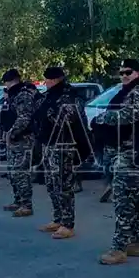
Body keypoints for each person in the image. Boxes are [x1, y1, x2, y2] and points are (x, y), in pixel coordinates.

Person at [94, 59, 139, 265]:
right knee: (135, 199)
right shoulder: (130, 90)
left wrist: (102, 118)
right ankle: (136, 242)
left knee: (124, 201)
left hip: (129, 153)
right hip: (127, 152)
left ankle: (119, 247)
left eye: (128, 72)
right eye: (121, 73)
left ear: (138, 73)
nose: (124, 76)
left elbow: (131, 115)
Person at [34, 67, 91, 240]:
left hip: (64, 145)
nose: (47, 83)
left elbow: (68, 120)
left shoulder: (69, 96)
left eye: (50, 80)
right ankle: (58, 219)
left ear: (58, 79)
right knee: (51, 184)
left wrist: (49, 112)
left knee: (63, 185)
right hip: (49, 144)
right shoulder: (49, 96)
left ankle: (68, 224)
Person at [1, 69, 38, 217]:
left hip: (23, 139)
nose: (7, 85)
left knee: (21, 172)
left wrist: (11, 133)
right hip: (14, 138)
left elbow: (24, 118)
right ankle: (18, 200)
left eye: (8, 82)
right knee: (12, 172)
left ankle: (26, 204)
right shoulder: (13, 95)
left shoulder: (23, 95)